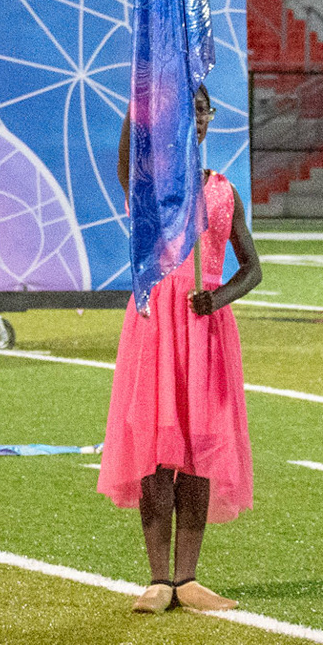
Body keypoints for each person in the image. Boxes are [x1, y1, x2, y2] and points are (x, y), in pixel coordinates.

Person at [99, 85, 259, 614]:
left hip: (205, 329)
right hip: (156, 327)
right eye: (186, 111)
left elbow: (252, 268)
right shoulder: (152, 187)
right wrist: (140, 98)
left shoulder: (224, 190)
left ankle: (188, 578)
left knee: (199, 450)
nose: (197, 119)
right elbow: (125, 161)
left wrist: (219, 297)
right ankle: (158, 579)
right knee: (155, 450)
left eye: (203, 111)